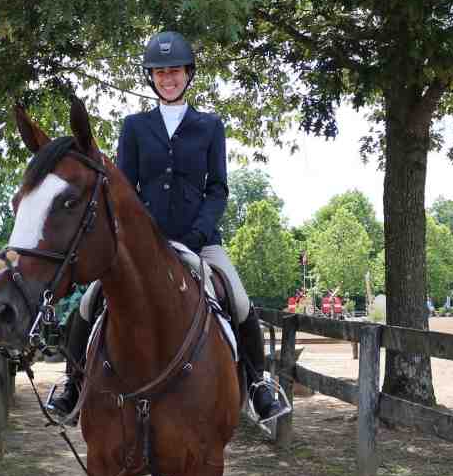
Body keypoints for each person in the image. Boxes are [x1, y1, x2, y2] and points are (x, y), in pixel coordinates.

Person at [49, 30, 283, 422]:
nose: (167, 78)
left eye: (174, 71)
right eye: (160, 73)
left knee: (240, 302)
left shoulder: (209, 125)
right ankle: (72, 383)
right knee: (90, 300)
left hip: (201, 240)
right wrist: (140, 237)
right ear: (151, 78)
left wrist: (198, 233)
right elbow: (123, 188)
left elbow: (218, 188)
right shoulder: (135, 127)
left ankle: (259, 384)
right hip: (142, 245)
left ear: (188, 74)